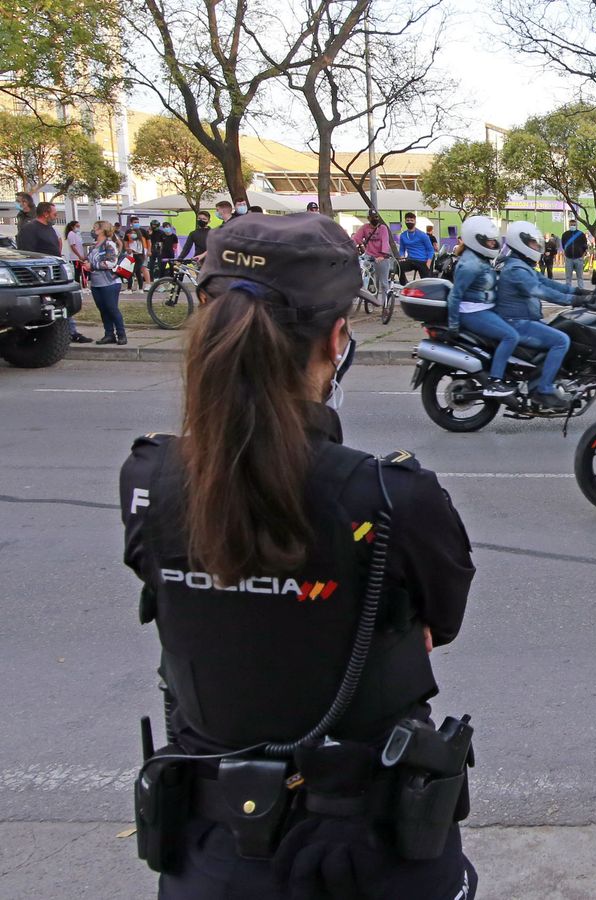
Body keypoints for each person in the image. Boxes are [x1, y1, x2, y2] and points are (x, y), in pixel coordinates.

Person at [119, 212, 478, 899]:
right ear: (337, 340)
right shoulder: (395, 497)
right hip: (373, 849)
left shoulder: (146, 478)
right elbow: (439, 625)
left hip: (212, 855)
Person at [498, 221, 591, 410]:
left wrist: (581, 292)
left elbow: (549, 284)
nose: (536, 247)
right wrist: (575, 301)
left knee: (561, 330)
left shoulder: (521, 265)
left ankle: (539, 381)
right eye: (533, 243)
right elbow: (542, 291)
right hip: (517, 323)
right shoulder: (516, 269)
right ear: (520, 243)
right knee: (561, 340)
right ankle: (544, 389)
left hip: (525, 320)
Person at [446, 216, 517, 399]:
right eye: (490, 241)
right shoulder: (470, 264)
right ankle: (494, 381)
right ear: (475, 240)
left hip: (483, 308)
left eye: (494, 241)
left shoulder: (479, 258)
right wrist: (453, 325)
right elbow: (455, 295)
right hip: (473, 311)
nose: (493, 244)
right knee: (510, 336)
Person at [17, 201, 92, 344]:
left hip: (55, 273)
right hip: (39, 276)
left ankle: (71, 332)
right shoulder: (30, 229)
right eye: (54, 214)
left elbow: (56, 245)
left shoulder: (49, 229)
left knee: (62, 303)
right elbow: (26, 253)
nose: (56, 216)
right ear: (45, 214)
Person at [86, 221, 126, 345]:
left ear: (102, 230)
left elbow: (111, 262)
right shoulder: (93, 246)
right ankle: (109, 334)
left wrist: (92, 265)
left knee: (112, 309)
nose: (93, 231)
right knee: (103, 310)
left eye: (95, 228)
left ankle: (121, 334)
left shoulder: (109, 244)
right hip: (96, 283)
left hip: (109, 282)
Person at [354, 211, 393, 300]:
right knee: (366, 277)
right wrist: (353, 246)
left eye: (376, 217)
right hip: (369, 256)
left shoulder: (383, 228)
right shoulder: (365, 227)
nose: (375, 219)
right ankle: (370, 297)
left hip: (382, 257)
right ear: (368, 218)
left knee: (383, 283)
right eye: (372, 217)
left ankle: (385, 304)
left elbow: (385, 241)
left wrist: (383, 255)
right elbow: (356, 238)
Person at [395, 213, 435, 285]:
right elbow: (402, 249)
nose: (409, 222)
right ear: (405, 221)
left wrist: (428, 264)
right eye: (407, 220)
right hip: (411, 260)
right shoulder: (403, 235)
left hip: (422, 261)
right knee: (398, 265)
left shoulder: (422, 235)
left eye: (411, 220)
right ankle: (404, 285)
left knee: (427, 283)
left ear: (415, 221)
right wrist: (402, 257)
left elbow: (430, 250)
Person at [559, 219, 588, 287]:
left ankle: (581, 290)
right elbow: (563, 246)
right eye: (571, 225)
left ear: (576, 225)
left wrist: (582, 256)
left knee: (580, 277)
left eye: (574, 225)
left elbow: (585, 246)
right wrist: (566, 253)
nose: (573, 226)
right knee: (568, 277)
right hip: (569, 259)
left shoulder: (581, 234)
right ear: (569, 225)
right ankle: (568, 290)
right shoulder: (565, 234)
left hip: (579, 258)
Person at [64, 219, 87, 288]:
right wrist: (79, 256)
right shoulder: (71, 234)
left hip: (80, 256)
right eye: (77, 226)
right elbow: (73, 246)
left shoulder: (76, 234)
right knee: (78, 272)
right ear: (72, 227)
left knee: (82, 271)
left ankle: (83, 285)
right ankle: (78, 286)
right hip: (76, 257)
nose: (78, 228)